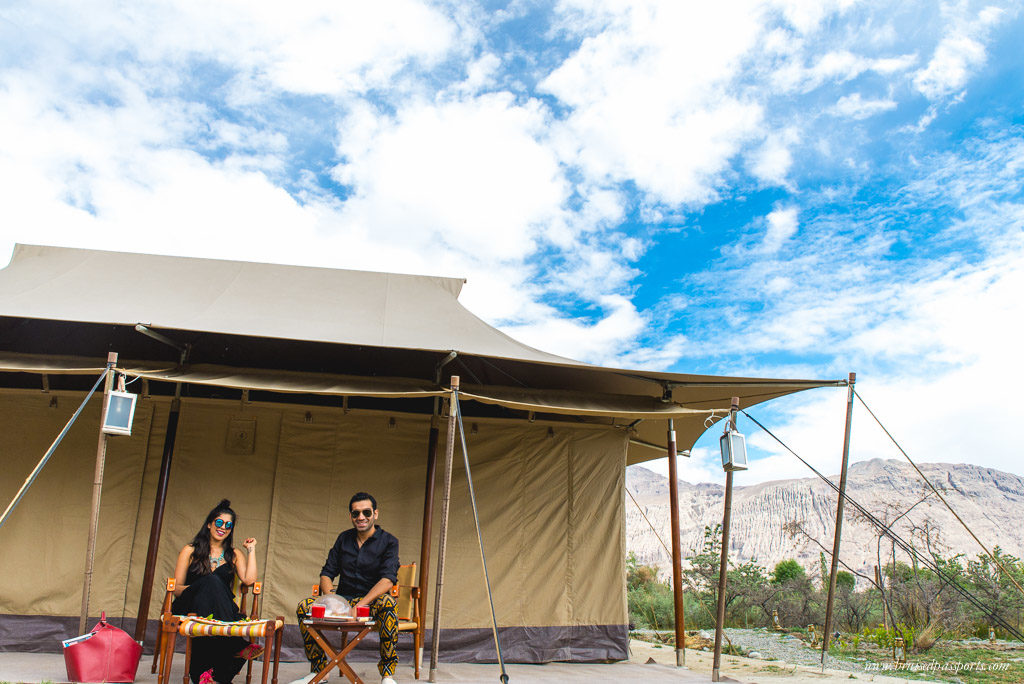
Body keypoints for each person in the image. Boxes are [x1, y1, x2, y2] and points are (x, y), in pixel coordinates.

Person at [297, 492, 400, 684]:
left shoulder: (389, 541)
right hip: (343, 601)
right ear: (351, 516)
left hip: (371, 604)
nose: (361, 517)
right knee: (304, 606)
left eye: (366, 512)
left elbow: (387, 580)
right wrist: (333, 601)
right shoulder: (343, 539)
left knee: (388, 603)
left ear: (375, 514)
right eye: (356, 513)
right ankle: (320, 671)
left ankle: (387, 674)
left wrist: (359, 605)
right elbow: (327, 574)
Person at [172, 499, 260, 684]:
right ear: (210, 524)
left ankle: (209, 677)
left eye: (228, 525)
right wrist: (202, 588)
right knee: (211, 581)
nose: (223, 528)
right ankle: (236, 645)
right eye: (219, 522)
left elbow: (249, 580)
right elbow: (177, 589)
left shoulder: (234, 554)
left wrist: (251, 550)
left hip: (218, 611)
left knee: (215, 616)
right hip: (189, 604)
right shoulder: (190, 550)